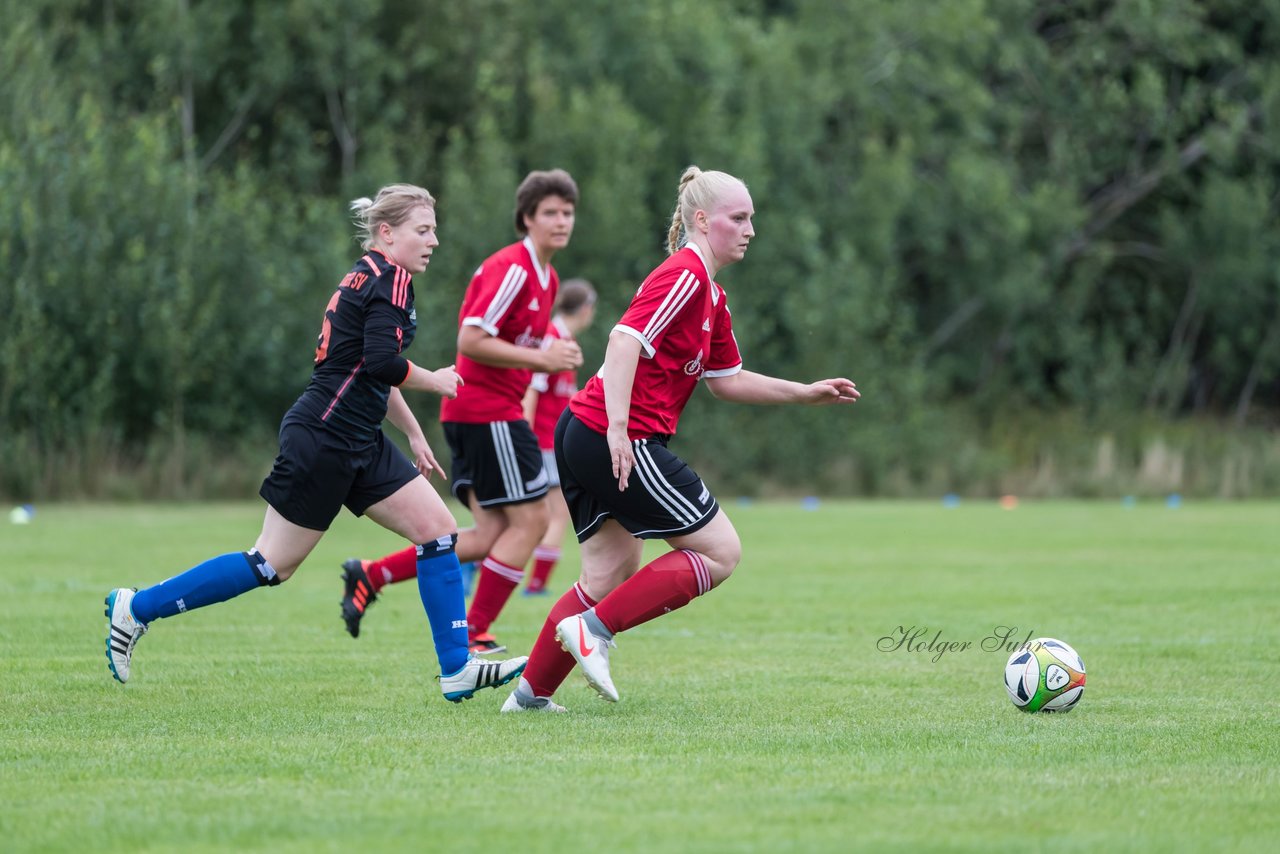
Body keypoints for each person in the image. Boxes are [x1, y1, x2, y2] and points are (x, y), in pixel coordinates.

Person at [104, 184, 527, 702]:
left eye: (434, 229)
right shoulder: (391, 278)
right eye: (423, 230)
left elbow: (366, 372)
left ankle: (457, 669)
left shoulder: (367, 273)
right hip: (326, 437)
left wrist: (414, 433)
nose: (434, 241)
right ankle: (137, 608)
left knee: (438, 530)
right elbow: (381, 363)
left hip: (356, 436)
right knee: (269, 565)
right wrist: (435, 380)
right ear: (387, 233)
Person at [501, 166, 859, 713]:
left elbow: (727, 380)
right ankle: (593, 631)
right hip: (612, 435)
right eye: (738, 218)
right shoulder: (687, 275)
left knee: (606, 572)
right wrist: (620, 432)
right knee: (720, 553)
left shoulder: (710, 296)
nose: (749, 229)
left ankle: (529, 699)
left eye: (751, 219)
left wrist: (803, 393)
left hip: (586, 430)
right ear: (700, 220)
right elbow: (622, 342)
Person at [339, 170, 584, 655]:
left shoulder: (547, 277)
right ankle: (473, 634)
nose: (561, 221)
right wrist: (543, 359)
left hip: (485, 412)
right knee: (532, 522)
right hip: (486, 411)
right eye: (551, 212)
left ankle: (372, 573)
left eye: (568, 212)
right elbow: (471, 340)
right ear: (527, 218)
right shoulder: (513, 267)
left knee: (491, 534)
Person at [520, 278, 598, 596]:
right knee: (552, 515)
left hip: (550, 443)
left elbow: (563, 396)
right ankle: (536, 585)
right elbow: (530, 390)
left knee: (535, 516)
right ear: (585, 309)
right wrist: (523, 437)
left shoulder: (563, 340)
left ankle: (478, 562)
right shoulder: (551, 340)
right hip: (541, 443)